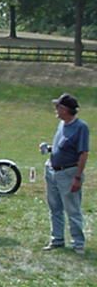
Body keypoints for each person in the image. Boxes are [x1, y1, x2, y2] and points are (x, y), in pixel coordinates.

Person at [42, 93, 89, 254]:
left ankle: (78, 243)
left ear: (65, 109)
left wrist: (77, 177)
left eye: (58, 107)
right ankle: (57, 239)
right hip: (52, 171)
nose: (55, 110)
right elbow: (62, 146)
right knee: (54, 207)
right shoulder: (61, 125)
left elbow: (83, 153)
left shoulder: (80, 127)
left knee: (72, 209)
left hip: (69, 173)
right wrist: (49, 148)